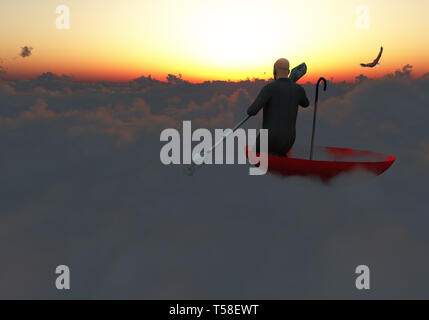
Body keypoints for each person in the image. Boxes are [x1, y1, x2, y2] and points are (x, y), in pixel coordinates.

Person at [247, 58, 310, 157]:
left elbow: (251, 111)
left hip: (268, 141)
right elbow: (306, 103)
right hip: (288, 142)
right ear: (288, 72)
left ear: (274, 71)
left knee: (254, 152)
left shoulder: (269, 88)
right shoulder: (299, 89)